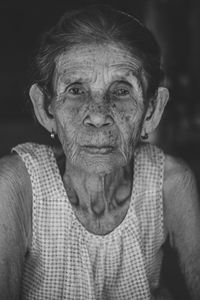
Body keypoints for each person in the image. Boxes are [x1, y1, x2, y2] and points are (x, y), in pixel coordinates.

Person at [0, 5, 199, 300]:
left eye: (121, 90)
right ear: (45, 108)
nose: (97, 115)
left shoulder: (170, 183)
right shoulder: (17, 185)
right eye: (76, 90)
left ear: (152, 111)